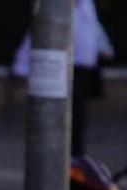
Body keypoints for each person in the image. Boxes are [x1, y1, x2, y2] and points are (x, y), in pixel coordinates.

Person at [12, 0, 115, 156]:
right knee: (66, 115)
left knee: (79, 117)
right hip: (65, 67)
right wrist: (21, 67)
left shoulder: (86, 4)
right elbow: (38, 33)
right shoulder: (57, 6)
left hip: (84, 70)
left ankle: (76, 156)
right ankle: (62, 156)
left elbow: (93, 27)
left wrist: (104, 46)